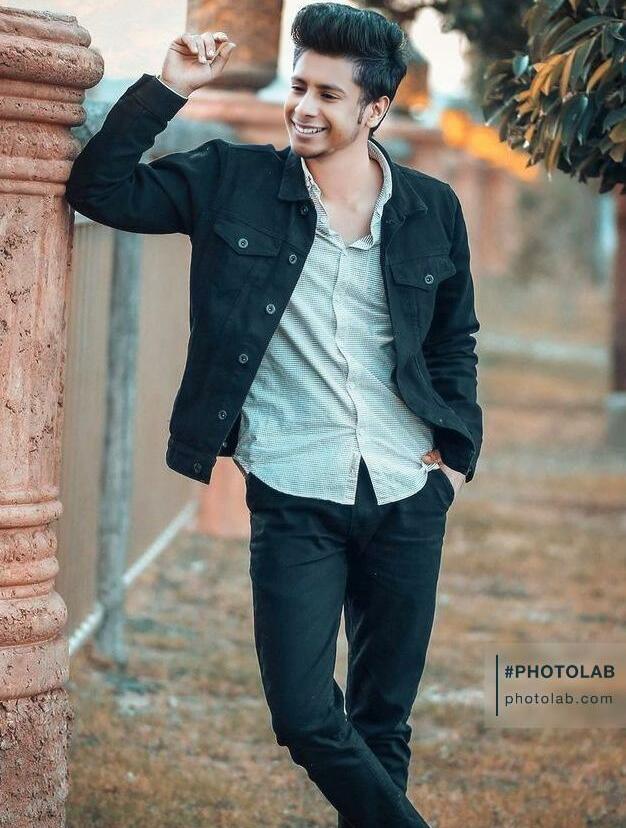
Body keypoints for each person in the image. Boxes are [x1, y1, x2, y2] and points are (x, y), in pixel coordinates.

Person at [65, 4, 482, 825]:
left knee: (383, 721)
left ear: (375, 109)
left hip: (407, 486)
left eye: (328, 94)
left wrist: (457, 451)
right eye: (298, 87)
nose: (303, 108)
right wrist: (170, 87)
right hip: (295, 487)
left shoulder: (430, 208)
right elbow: (100, 188)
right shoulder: (235, 180)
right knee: (303, 715)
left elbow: (454, 336)